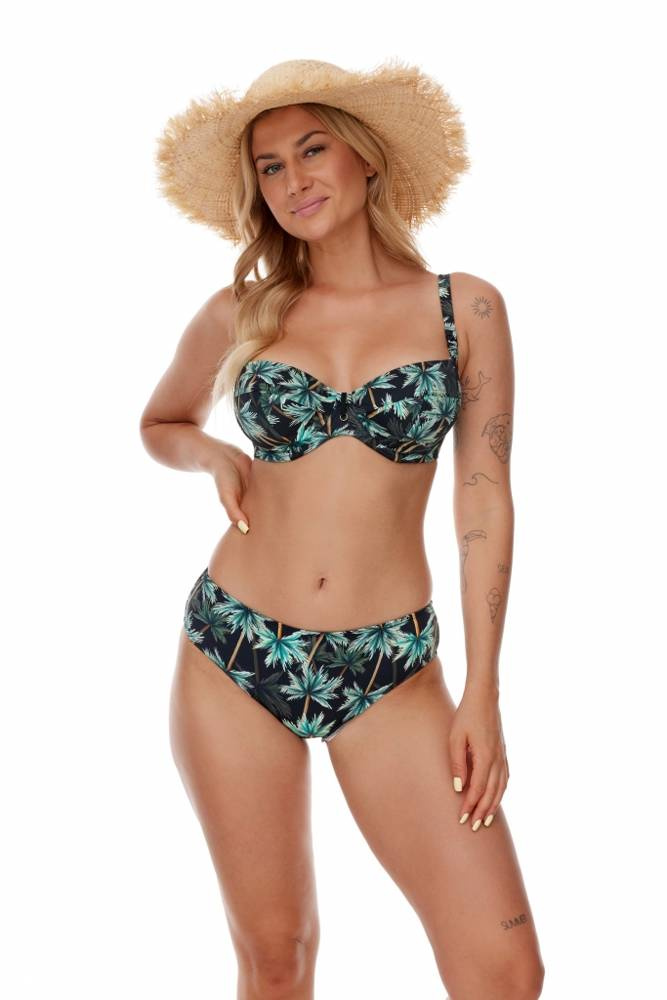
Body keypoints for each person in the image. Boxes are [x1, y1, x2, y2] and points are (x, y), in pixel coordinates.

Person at [140, 58, 545, 999]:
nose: (293, 180)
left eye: (312, 150)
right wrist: (212, 455)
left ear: (366, 158)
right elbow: (160, 422)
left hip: (389, 665)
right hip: (235, 650)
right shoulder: (243, 311)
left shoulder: (464, 307)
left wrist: (482, 692)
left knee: (503, 971)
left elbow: (483, 494)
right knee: (276, 960)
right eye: (270, 167)